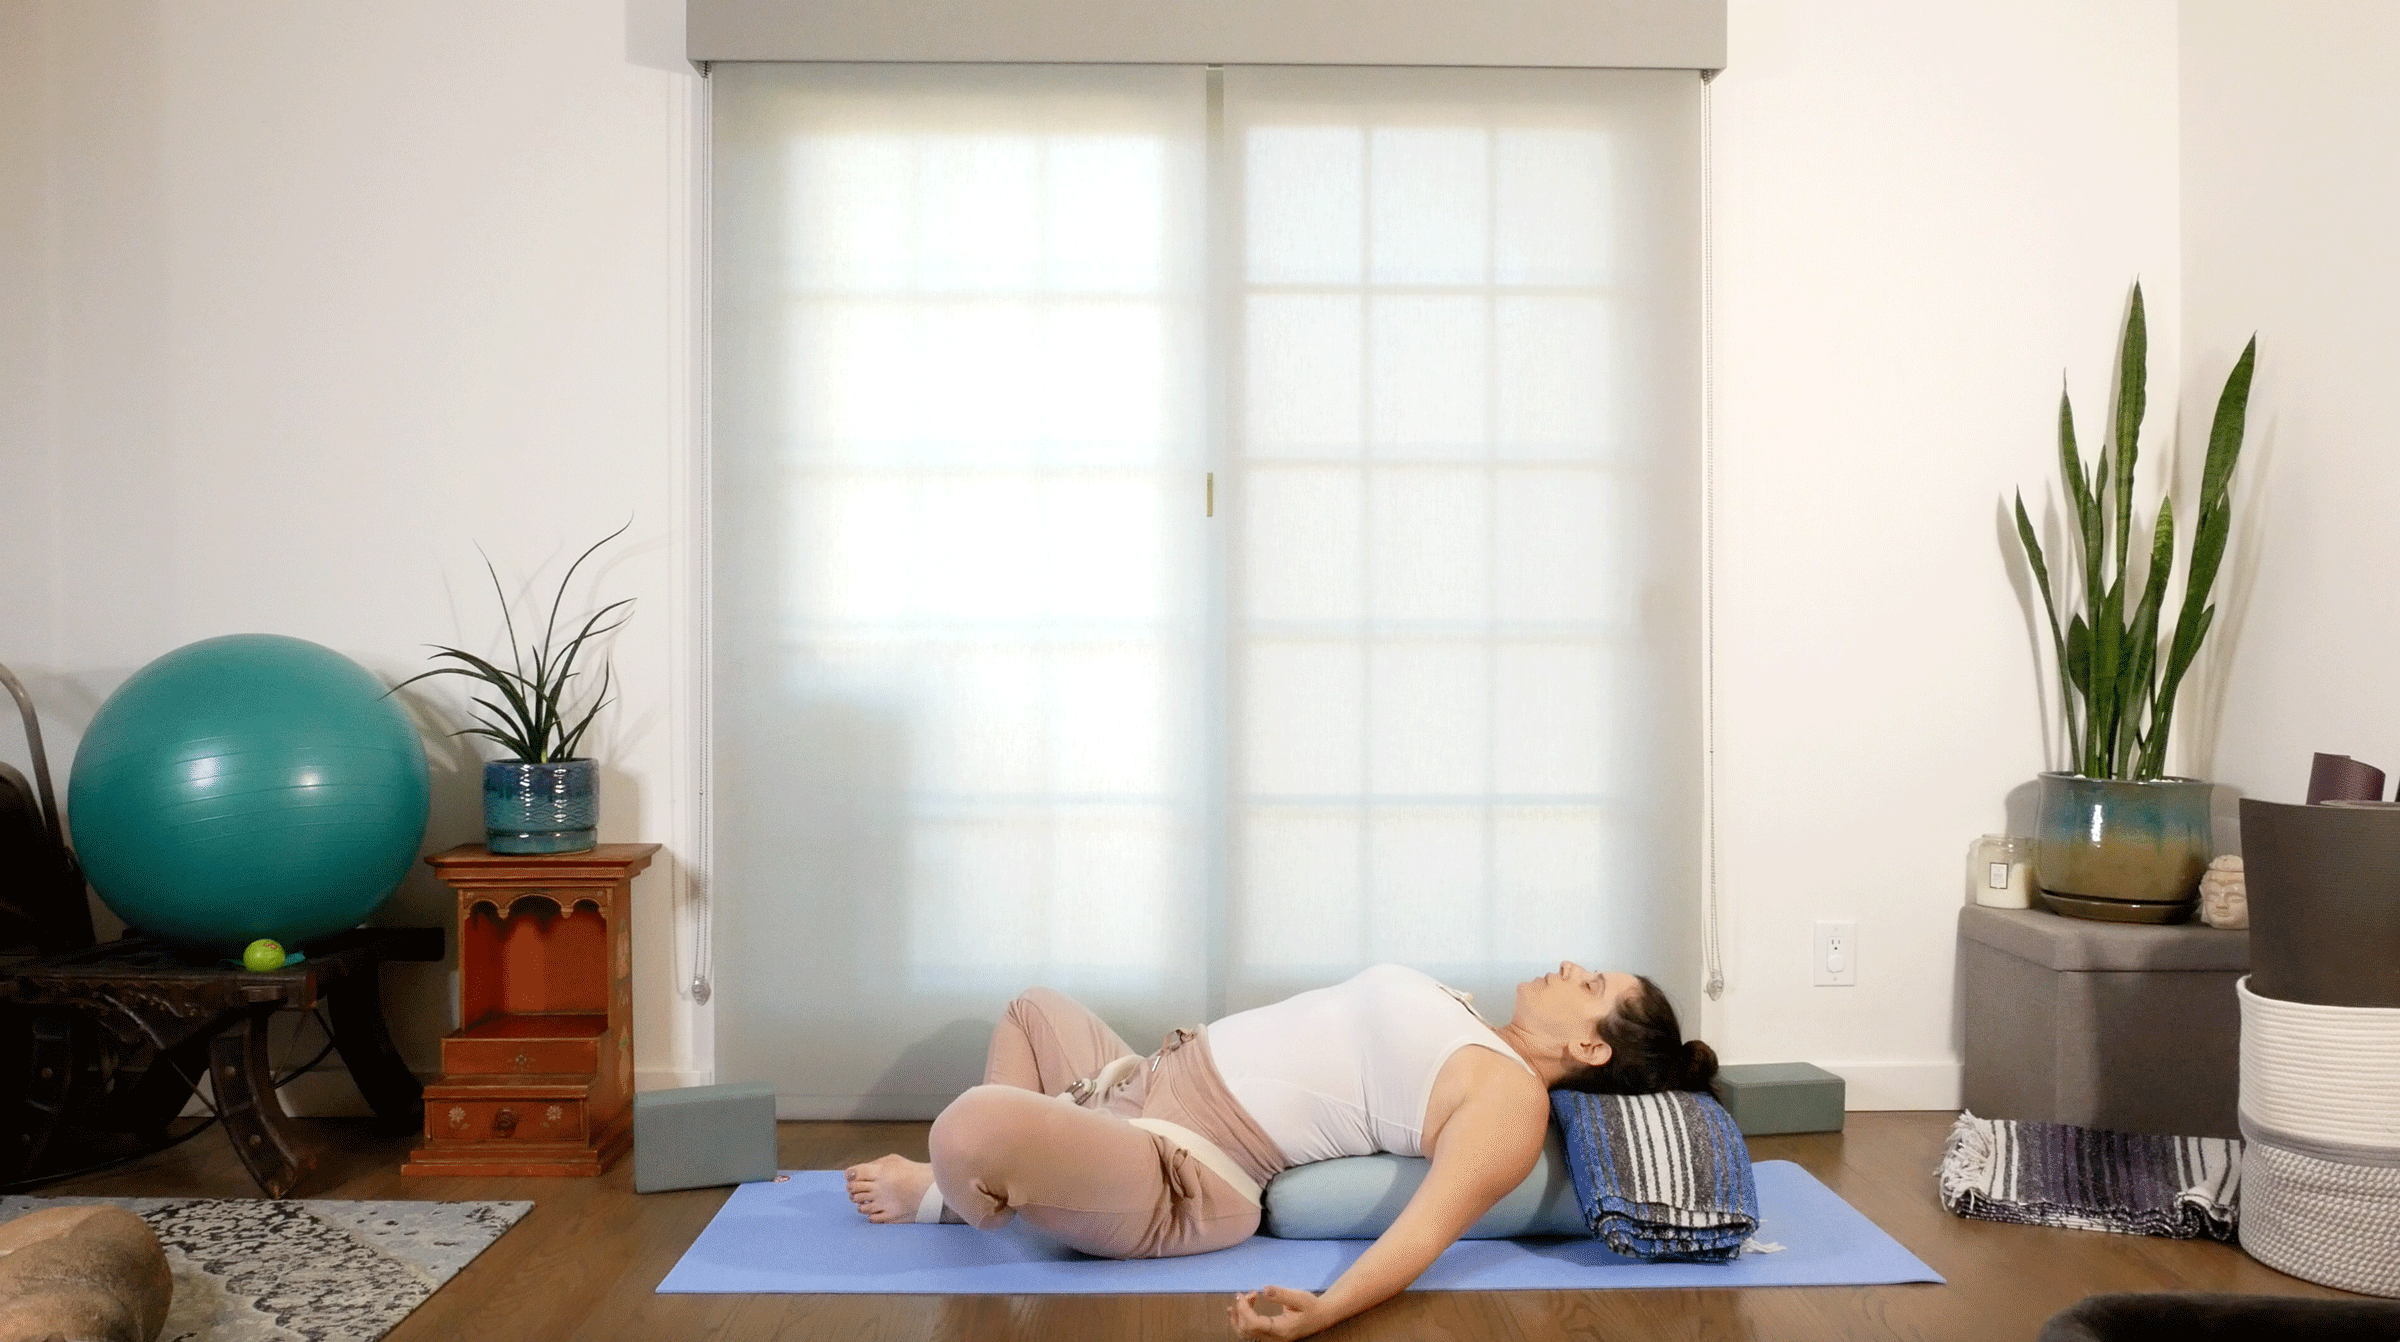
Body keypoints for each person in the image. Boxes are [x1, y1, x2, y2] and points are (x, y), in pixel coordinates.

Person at [844, 961, 1718, 1341]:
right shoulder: (1465, 1013)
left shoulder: (1508, 1101)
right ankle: (1016, 1170)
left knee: (967, 1128)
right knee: (1032, 1008)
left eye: (1592, 984)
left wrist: (1327, 1309)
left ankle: (946, 1192)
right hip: (1136, 1082)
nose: (1572, 967)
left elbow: (1425, 1231)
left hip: (1180, 1168)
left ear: (1593, 1050)